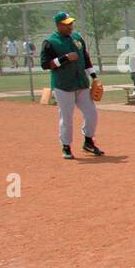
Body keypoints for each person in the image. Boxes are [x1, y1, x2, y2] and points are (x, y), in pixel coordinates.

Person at [39, 11, 104, 160]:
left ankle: (88, 141)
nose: (70, 27)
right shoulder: (50, 42)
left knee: (91, 113)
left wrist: (94, 77)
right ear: (58, 25)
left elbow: (85, 58)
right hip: (63, 85)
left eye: (71, 24)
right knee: (67, 117)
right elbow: (45, 65)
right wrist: (64, 59)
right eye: (67, 24)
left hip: (81, 83)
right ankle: (66, 146)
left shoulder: (77, 38)